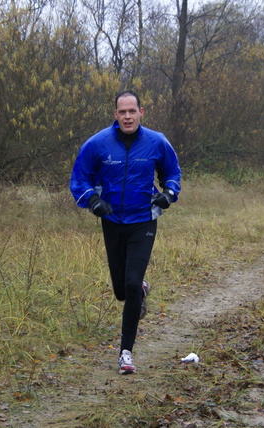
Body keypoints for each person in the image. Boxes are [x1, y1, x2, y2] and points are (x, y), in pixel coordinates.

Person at [69, 90, 181, 375]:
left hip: (143, 219)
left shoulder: (157, 142)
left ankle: (125, 353)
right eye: (122, 112)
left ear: (141, 112)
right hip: (112, 221)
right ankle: (140, 289)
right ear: (115, 115)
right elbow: (79, 178)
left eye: (132, 111)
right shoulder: (97, 144)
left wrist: (168, 194)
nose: (128, 116)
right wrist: (93, 201)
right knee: (122, 290)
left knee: (131, 283)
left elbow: (172, 173)